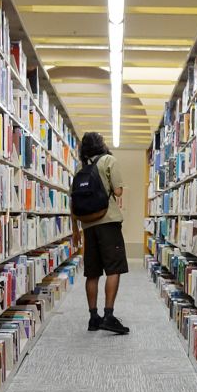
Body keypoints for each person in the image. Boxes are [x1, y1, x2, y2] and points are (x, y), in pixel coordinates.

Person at [73, 132, 130, 335]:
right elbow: (118, 191)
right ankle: (108, 315)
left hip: (88, 225)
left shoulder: (80, 167)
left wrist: (75, 230)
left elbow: (73, 201)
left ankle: (93, 317)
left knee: (92, 272)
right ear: (101, 145)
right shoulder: (108, 160)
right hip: (108, 222)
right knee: (113, 268)